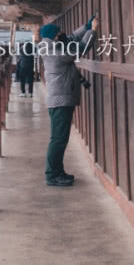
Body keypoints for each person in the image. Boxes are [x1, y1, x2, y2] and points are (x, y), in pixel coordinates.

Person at [38, 16, 98, 187]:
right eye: (59, 33)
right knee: (58, 139)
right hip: (60, 101)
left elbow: (71, 37)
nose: (62, 35)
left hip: (61, 100)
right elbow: (80, 48)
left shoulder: (53, 45)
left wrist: (86, 25)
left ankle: (58, 171)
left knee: (60, 138)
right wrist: (92, 31)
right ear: (53, 37)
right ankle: (52, 175)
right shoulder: (55, 52)